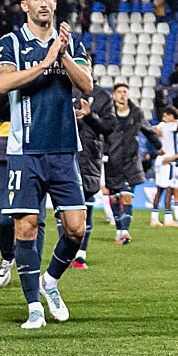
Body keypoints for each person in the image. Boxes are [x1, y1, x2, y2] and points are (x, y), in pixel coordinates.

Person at [0, 0, 93, 330]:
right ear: (25, 5)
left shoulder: (71, 43)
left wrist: (62, 55)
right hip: (25, 150)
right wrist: (44, 62)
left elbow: (87, 85)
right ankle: (34, 306)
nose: (44, 3)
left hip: (65, 149)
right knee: (26, 227)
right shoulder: (12, 43)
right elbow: (4, 83)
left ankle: (49, 281)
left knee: (76, 230)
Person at [0, 79, 46, 287]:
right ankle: (8, 257)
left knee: (36, 218)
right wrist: (14, 84)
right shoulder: (0, 79)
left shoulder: (43, 76)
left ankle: (33, 268)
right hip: (3, 154)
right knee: (3, 218)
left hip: (36, 150)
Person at [107, 82, 161, 243]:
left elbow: (147, 129)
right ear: (114, 95)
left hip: (131, 160)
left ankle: (125, 231)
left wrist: (158, 146)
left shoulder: (136, 112)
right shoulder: (108, 113)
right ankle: (119, 229)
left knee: (127, 196)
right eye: (120, 92)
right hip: (112, 159)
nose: (123, 94)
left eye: (125, 91)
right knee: (115, 198)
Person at [70, 84, 116, 267]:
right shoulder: (61, 88)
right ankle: (66, 254)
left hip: (90, 156)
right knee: (64, 206)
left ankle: (81, 253)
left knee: (87, 205)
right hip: (64, 151)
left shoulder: (102, 96)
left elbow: (109, 126)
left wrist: (89, 116)